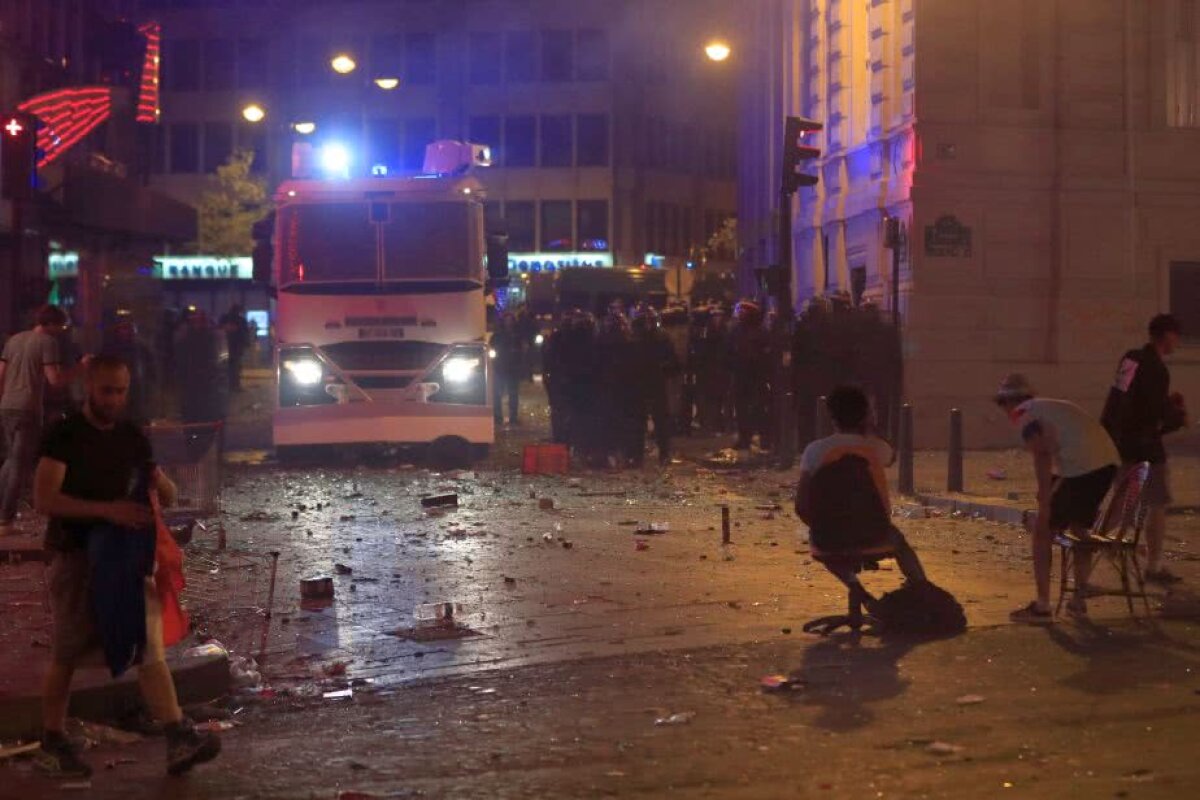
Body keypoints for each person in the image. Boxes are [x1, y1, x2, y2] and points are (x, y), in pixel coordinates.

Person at [32, 355, 220, 778]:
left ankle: (176, 735)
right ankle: (52, 736)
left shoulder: (131, 436)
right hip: (77, 558)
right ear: (89, 389)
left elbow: (162, 488)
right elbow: (45, 499)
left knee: (149, 651)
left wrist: (161, 485)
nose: (113, 399)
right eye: (106, 391)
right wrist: (107, 511)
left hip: (129, 559)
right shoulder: (66, 435)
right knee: (68, 652)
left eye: (120, 391)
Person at [994, 374, 1119, 622]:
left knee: (1043, 531)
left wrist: (1045, 502)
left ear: (1007, 402)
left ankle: (1042, 606)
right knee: (1079, 528)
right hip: (1105, 465)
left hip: (1082, 468)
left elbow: (1042, 453)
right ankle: (1079, 598)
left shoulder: (1024, 414)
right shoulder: (1047, 406)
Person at [794, 386, 927, 599]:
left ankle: (858, 592)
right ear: (866, 415)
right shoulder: (876, 448)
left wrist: (824, 525)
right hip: (876, 533)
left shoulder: (815, 450)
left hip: (828, 538)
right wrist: (871, 427)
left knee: (825, 548)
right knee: (900, 543)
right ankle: (922, 590)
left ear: (831, 416)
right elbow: (891, 456)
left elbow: (800, 506)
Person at [1101, 314, 1188, 585]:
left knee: (1122, 497)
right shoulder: (1158, 369)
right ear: (1167, 335)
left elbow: (1117, 396)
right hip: (1147, 448)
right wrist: (1177, 417)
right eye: (1176, 335)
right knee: (1157, 504)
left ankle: (1098, 544)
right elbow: (1153, 413)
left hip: (1122, 442)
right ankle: (1154, 564)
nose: (1177, 341)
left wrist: (1108, 432)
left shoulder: (1130, 359)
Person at [0, 305, 87, 535]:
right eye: (61, 325)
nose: (62, 330)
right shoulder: (48, 343)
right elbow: (55, 380)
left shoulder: (14, 340)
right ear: (51, 324)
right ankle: (5, 520)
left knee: (11, 460)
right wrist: (80, 368)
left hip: (7, 406)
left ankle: (2, 515)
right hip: (27, 408)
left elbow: (1, 373)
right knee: (19, 464)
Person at [630, 306, 680, 466]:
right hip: (640, 383)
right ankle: (638, 456)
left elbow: (673, 362)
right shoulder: (633, 338)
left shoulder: (661, 337)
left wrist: (662, 369)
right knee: (639, 422)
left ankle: (663, 454)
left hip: (655, 382)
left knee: (660, 421)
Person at [727, 299, 773, 451]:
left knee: (759, 409)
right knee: (741, 409)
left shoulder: (761, 331)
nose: (740, 315)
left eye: (743, 312)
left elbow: (766, 355)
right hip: (740, 375)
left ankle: (765, 439)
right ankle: (744, 439)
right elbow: (729, 350)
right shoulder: (737, 330)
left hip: (756, 376)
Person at [101, 320, 158, 426]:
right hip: (117, 387)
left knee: (138, 415)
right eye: (123, 329)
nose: (126, 332)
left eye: (128, 329)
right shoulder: (111, 348)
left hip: (137, 388)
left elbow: (150, 367)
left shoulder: (141, 348)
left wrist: (150, 382)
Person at [490, 313, 523, 426]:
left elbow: (521, 351)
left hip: (512, 368)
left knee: (513, 393)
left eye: (510, 320)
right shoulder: (498, 335)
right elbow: (493, 348)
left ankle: (513, 417)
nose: (508, 323)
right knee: (498, 393)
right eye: (507, 320)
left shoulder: (516, 335)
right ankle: (498, 416)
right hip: (501, 368)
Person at [219, 304, 249, 393]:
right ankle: (235, 386)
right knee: (235, 366)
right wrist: (246, 344)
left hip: (224, 347)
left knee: (226, 366)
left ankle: (227, 385)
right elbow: (244, 333)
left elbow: (219, 329)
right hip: (236, 347)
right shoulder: (241, 320)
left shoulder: (224, 318)